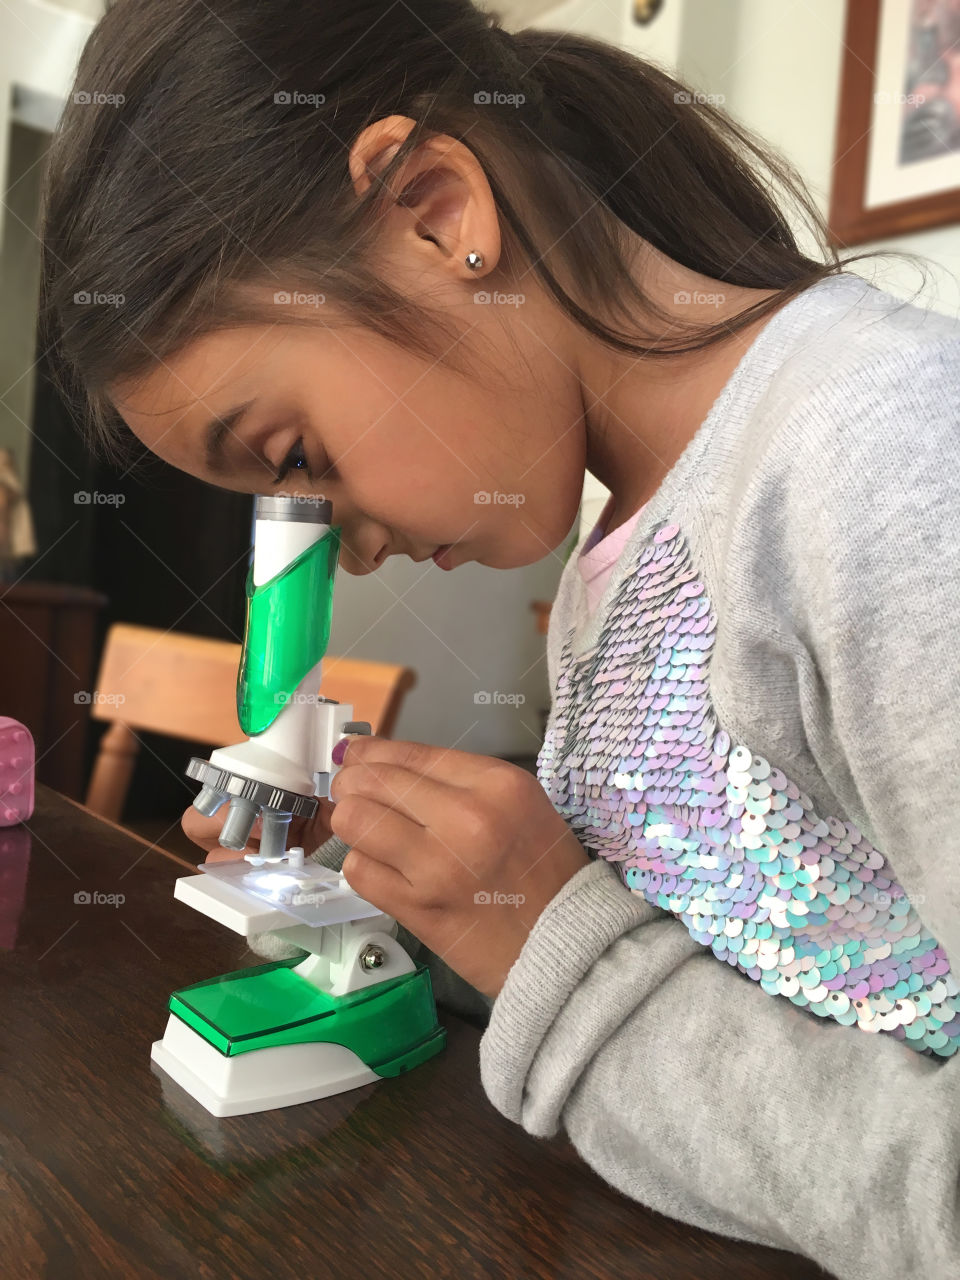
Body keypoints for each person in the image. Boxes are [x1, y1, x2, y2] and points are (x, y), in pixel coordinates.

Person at [38, 2, 960, 1276]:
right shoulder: (620, 547)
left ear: (435, 212)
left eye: (296, 459)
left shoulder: (896, 463)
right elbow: (719, 966)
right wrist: (428, 904)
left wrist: (556, 956)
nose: (345, 550)